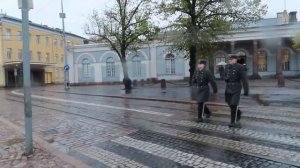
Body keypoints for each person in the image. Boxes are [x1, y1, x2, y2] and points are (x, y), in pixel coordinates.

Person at [224, 55, 249, 128]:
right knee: (230, 104)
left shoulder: (240, 67)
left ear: (235, 60)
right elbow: (225, 76)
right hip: (228, 87)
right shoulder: (227, 67)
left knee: (234, 104)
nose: (229, 60)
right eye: (229, 59)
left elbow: (244, 79)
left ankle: (233, 122)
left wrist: (246, 90)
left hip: (236, 88)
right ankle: (238, 112)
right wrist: (225, 77)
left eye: (231, 59)